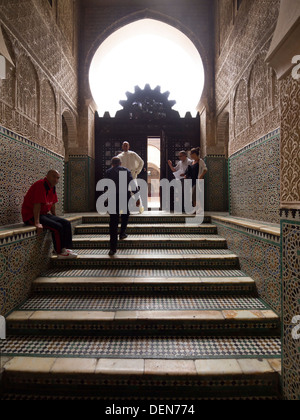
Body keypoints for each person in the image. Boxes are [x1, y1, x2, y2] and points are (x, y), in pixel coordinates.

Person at [22, 170, 77, 259]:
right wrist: (37, 223)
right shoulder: (41, 185)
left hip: (43, 214)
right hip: (31, 215)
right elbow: (37, 205)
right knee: (57, 227)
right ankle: (59, 252)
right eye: (53, 176)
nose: (56, 179)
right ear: (47, 176)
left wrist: (54, 217)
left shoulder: (52, 187)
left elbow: (53, 204)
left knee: (66, 223)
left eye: (57, 178)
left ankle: (65, 249)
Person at [105, 157, 140, 256]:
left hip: (113, 198)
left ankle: (113, 248)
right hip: (124, 196)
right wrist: (137, 197)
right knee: (125, 215)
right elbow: (132, 184)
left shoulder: (108, 172)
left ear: (112, 164)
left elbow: (106, 186)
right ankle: (122, 233)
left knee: (113, 222)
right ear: (120, 163)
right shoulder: (126, 170)